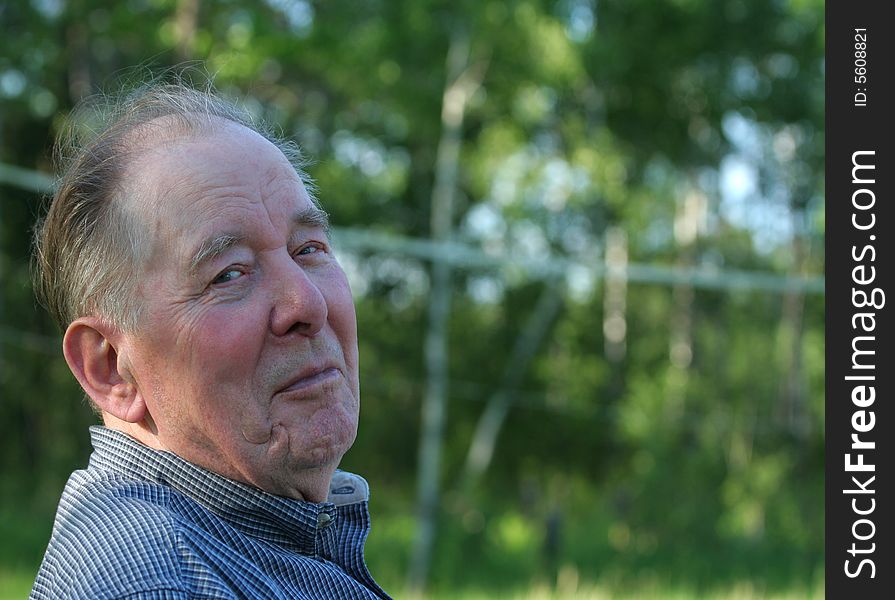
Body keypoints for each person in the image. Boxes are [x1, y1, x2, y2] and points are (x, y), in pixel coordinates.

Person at [29, 79, 390, 599]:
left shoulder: (243, 546)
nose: (307, 305)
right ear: (110, 369)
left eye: (308, 248)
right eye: (229, 274)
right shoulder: (155, 581)